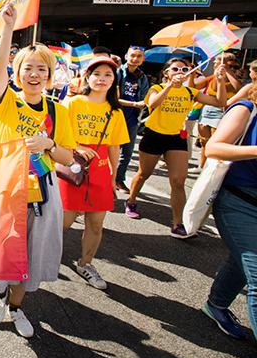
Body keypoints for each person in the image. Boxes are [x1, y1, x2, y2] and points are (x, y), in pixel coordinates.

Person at [0, 4, 76, 339]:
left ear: (50, 75)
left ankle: (17, 307)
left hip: (44, 188)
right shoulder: (7, 101)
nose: (34, 74)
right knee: (6, 245)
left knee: (33, 251)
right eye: (28, 68)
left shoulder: (58, 109)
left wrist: (49, 145)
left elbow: (68, 158)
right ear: (17, 72)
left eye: (41, 68)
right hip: (9, 185)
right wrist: (8, 27)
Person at [125, 58, 227, 238]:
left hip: (176, 139)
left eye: (185, 68)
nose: (180, 71)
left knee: (178, 181)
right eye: (175, 68)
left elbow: (220, 102)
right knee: (143, 174)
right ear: (166, 73)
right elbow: (153, 104)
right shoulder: (156, 88)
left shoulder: (190, 92)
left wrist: (219, 80)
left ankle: (178, 224)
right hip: (154, 136)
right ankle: (131, 201)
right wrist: (170, 86)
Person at [59, 57, 129, 290]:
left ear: (114, 81)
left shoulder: (116, 112)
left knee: (96, 224)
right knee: (63, 223)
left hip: (99, 172)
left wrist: (112, 178)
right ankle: (43, 258)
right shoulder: (72, 103)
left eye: (108, 75)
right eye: (97, 73)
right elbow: (58, 134)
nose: (102, 78)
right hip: (72, 166)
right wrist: (76, 146)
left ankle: (85, 263)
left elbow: (114, 147)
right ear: (87, 77)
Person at [202, 90, 257, 340]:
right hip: (239, 202)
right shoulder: (246, 109)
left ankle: (216, 304)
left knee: (241, 258)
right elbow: (214, 147)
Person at [193, 53, 241, 173]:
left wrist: (227, 71)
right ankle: (201, 167)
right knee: (204, 141)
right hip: (207, 109)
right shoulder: (212, 77)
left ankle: (212, 169)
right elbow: (194, 86)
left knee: (216, 142)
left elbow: (238, 88)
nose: (214, 63)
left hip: (222, 111)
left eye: (216, 61)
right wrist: (191, 74)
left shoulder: (234, 77)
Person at [115, 46, 149, 193]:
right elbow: (113, 98)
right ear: (126, 56)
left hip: (133, 118)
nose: (135, 58)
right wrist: (135, 104)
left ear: (143, 59)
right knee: (111, 151)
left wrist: (142, 104)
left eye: (139, 56)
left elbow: (145, 97)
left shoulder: (142, 77)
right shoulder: (117, 72)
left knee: (127, 153)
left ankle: (118, 180)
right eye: (133, 55)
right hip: (115, 116)